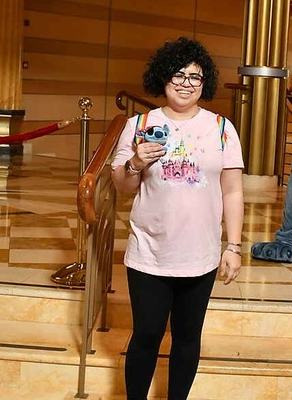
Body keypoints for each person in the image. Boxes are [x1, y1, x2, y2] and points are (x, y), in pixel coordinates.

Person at [112, 36, 245, 400]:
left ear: (205, 83)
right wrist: (135, 162)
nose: (186, 83)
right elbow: (122, 185)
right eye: (178, 74)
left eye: (195, 76)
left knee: (187, 337)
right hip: (149, 253)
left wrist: (233, 246)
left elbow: (232, 192)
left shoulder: (221, 127)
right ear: (163, 77)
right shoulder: (139, 124)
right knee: (146, 334)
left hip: (201, 254)